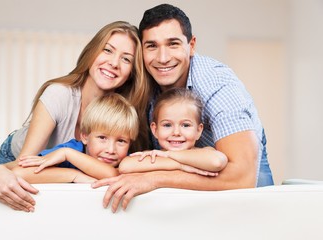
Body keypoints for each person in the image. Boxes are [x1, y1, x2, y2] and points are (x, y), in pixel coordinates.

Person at [92, 4, 274, 213]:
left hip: (241, 177)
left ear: (192, 44)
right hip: (184, 179)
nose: (162, 58)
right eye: (151, 46)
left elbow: (242, 177)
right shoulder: (143, 81)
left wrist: (154, 179)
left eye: (173, 44)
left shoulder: (218, 85)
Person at [0, 21, 150, 212]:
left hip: (66, 166)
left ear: (132, 72)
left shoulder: (123, 112)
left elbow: (115, 173)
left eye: (126, 59)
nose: (114, 63)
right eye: (107, 50)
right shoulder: (59, 95)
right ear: (92, 52)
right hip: (19, 157)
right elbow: (22, 167)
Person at [9, 93, 138, 184]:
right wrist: (74, 175)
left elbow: (112, 174)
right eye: (102, 138)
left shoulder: (127, 161)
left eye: (121, 141)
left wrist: (68, 155)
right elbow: (19, 173)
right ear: (85, 137)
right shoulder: (70, 149)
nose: (111, 150)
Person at [119, 87, 227, 176]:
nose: (176, 133)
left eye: (185, 125)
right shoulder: (153, 156)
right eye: (167, 125)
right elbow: (125, 166)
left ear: (198, 131)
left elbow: (216, 162)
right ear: (155, 129)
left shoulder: (204, 152)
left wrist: (168, 155)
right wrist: (180, 166)